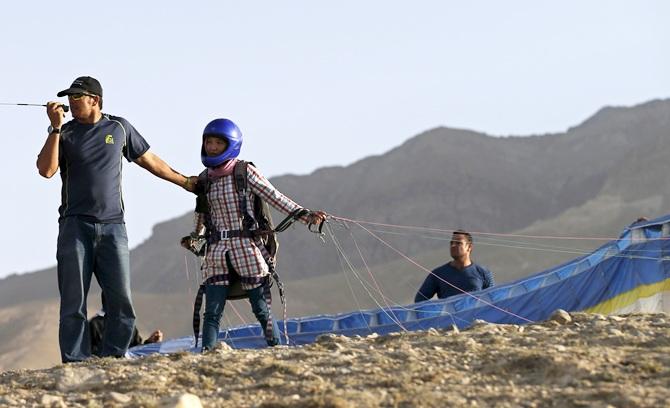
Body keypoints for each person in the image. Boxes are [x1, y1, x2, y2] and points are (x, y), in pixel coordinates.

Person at [37, 76, 197, 363]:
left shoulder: (119, 127)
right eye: (69, 98)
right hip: (75, 226)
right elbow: (46, 170)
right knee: (74, 301)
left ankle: (114, 357)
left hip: (113, 227)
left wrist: (185, 182)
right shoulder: (66, 132)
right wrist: (55, 127)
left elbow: (152, 161)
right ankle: (75, 361)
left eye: (77, 97)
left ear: (94, 100)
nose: (71, 103)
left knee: (121, 299)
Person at [183, 118, 326, 351]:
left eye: (218, 143)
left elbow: (274, 196)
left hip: (246, 247)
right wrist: (195, 237)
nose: (212, 147)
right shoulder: (205, 178)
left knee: (261, 306)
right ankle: (207, 353)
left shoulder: (245, 172)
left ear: (231, 145)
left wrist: (305, 215)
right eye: (209, 142)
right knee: (212, 310)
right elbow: (202, 212)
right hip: (216, 250)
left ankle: (276, 347)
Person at [414, 229, 494, 302]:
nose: (453, 246)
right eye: (451, 243)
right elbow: (419, 300)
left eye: (458, 243)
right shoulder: (438, 274)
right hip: (450, 317)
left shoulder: (483, 273)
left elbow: (493, 299)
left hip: (475, 317)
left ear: (469, 247)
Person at [89, 310, 163, 357]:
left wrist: (150, 342)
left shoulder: (129, 323)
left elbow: (135, 349)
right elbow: (90, 352)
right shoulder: (94, 324)